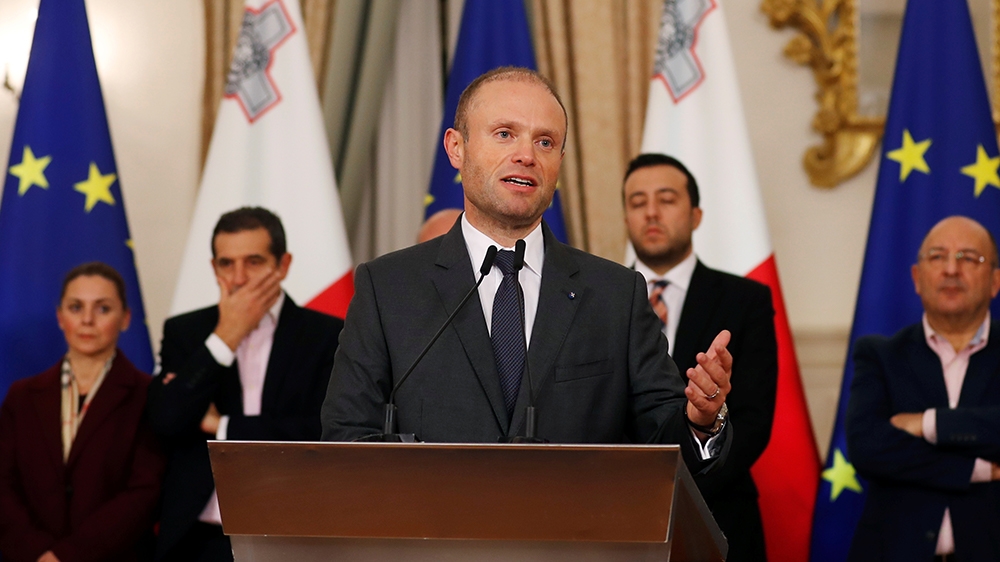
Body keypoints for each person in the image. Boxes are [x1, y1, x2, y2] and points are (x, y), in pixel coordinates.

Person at [321, 67, 733, 471]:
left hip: (573, 535)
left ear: (560, 161)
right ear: (456, 148)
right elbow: (347, 435)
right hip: (436, 536)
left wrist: (700, 421)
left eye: (546, 142)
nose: (526, 155)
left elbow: (661, 438)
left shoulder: (615, 294)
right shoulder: (388, 288)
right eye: (504, 134)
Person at [147, 207, 343, 562]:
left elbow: (321, 431)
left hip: (296, 532)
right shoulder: (186, 333)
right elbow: (166, 419)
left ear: (282, 265)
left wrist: (219, 425)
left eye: (253, 261)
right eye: (226, 264)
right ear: (214, 268)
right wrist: (225, 337)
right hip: (199, 538)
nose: (238, 278)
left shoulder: (328, 335)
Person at [623, 153, 777, 561]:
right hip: (619, 520)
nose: (651, 212)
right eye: (637, 202)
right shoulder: (592, 299)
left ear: (695, 215)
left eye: (666, 199)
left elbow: (754, 421)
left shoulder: (746, 301)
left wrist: (678, 491)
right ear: (625, 217)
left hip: (720, 516)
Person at [846, 216, 1000, 561]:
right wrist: (981, 468)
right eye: (937, 256)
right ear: (917, 278)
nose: (950, 269)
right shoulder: (879, 355)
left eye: (968, 258)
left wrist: (927, 424)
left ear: (995, 281)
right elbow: (868, 446)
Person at [0, 262, 164, 562]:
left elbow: (143, 493)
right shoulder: (22, 396)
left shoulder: (149, 396)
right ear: (60, 317)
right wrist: (38, 553)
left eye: (102, 309)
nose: (87, 320)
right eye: (76, 307)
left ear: (125, 318)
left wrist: (67, 556)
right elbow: (3, 485)